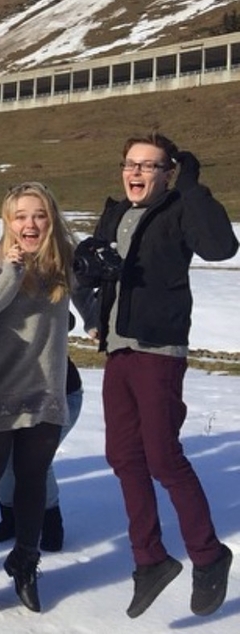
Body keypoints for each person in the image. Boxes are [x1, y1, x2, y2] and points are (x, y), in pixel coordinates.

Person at [76, 133, 236, 618]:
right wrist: (92, 305)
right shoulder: (114, 214)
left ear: (168, 171)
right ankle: (149, 559)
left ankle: (209, 556)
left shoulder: (179, 208)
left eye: (149, 165)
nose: (136, 173)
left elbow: (221, 246)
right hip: (119, 349)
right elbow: (90, 279)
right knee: (122, 455)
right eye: (130, 164)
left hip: (159, 349)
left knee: (164, 458)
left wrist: (192, 188)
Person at [0, 181, 90, 613]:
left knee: (33, 478)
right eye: (20, 216)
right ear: (8, 221)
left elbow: (89, 302)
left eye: (38, 215)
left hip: (45, 385)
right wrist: (10, 272)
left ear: (50, 217)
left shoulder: (65, 260)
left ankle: (26, 562)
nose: (29, 223)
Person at [0, 313, 83, 552]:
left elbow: (65, 319)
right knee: (6, 458)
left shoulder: (43, 295)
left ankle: (52, 523)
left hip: (57, 396)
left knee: (35, 460)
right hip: (9, 397)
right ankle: (10, 518)